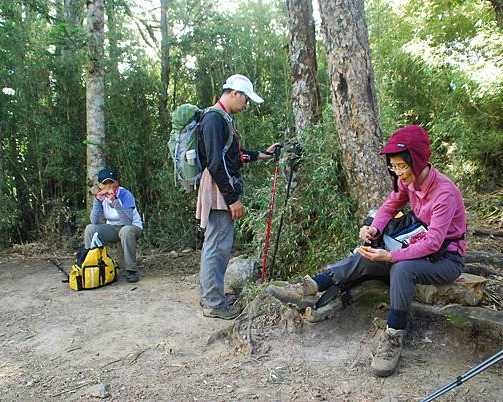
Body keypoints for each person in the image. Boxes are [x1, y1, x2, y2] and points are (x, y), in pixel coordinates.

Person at [267, 125, 467, 377]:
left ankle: (393, 338)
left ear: (417, 161)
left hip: (446, 259)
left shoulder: (444, 193)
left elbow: (434, 243)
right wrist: (373, 229)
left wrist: (392, 255)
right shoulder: (408, 181)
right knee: (367, 253)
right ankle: (310, 287)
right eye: (394, 167)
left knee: (402, 268)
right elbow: (388, 207)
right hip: (419, 246)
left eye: (403, 166)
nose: (399, 172)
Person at [197, 74, 280, 320]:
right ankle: (213, 303)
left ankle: (211, 297)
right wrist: (232, 198)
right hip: (218, 186)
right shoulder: (214, 119)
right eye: (246, 100)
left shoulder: (223, 118)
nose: (247, 105)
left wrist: (263, 155)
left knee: (216, 244)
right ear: (236, 93)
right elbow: (215, 163)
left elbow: (233, 154)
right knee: (217, 246)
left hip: (219, 184)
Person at [84, 168, 144, 283]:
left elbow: (127, 221)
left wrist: (115, 202)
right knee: (90, 229)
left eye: (111, 182)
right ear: (100, 185)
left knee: (126, 231)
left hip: (132, 227)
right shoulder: (101, 198)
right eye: (105, 183)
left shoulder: (125, 194)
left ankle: (131, 270)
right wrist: (97, 201)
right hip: (113, 229)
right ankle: (90, 265)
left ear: (117, 183)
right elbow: (94, 221)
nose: (108, 186)